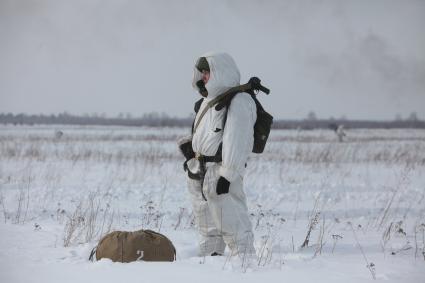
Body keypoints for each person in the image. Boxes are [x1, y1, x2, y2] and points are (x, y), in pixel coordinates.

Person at [178, 52, 256, 257]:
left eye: (208, 71)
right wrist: (192, 156)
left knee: (232, 220)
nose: (203, 76)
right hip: (200, 170)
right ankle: (210, 264)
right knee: (207, 225)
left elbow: (236, 140)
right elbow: (204, 134)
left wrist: (228, 175)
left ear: (220, 71)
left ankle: (246, 262)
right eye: (202, 72)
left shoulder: (239, 100)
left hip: (221, 170)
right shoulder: (206, 101)